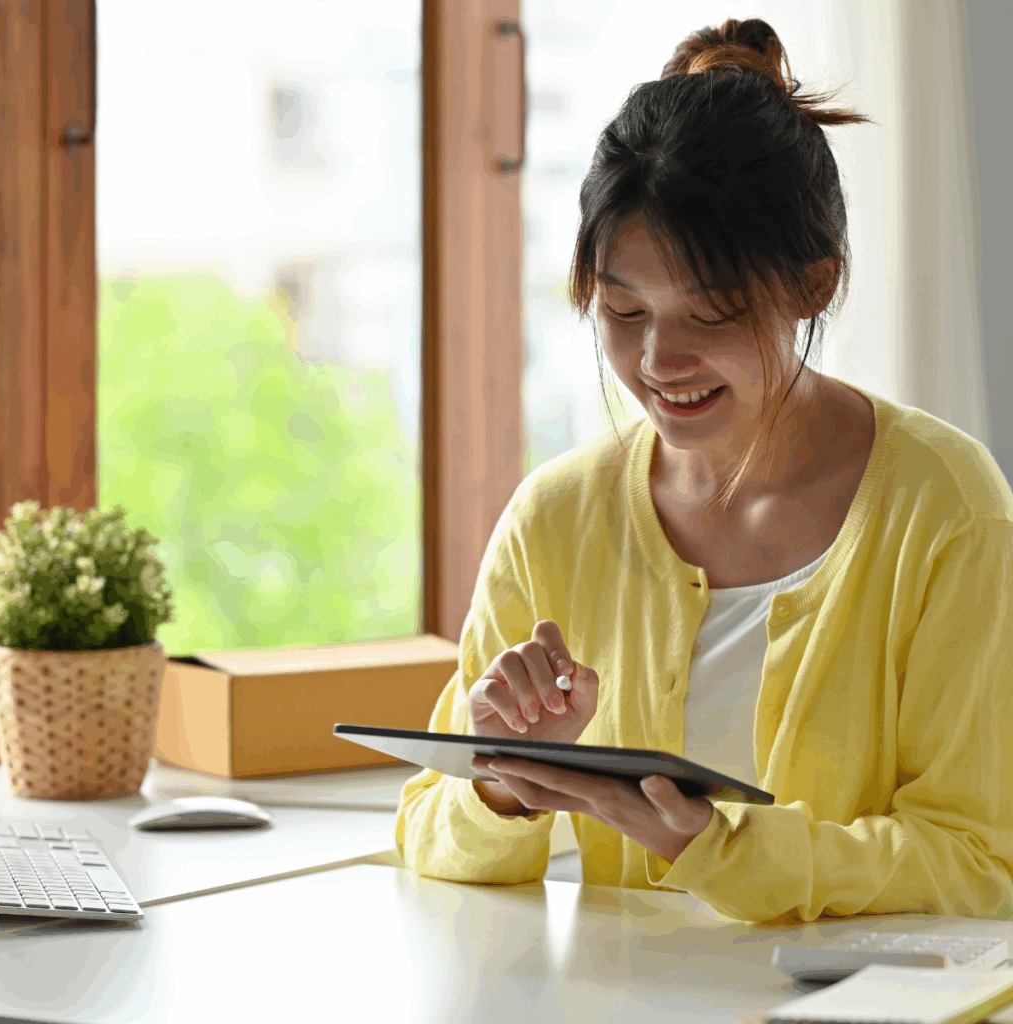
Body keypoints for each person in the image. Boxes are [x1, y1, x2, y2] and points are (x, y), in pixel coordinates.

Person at [394, 17, 1013, 924]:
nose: (659, 361)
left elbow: (981, 865)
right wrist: (505, 785)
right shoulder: (556, 518)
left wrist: (711, 848)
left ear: (814, 284)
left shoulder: (946, 510)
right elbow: (424, 832)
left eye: (711, 313)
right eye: (624, 309)